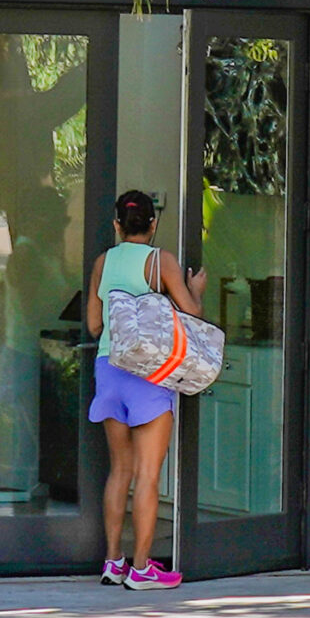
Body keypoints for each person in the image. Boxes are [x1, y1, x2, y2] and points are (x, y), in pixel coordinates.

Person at [88, 188, 192, 589]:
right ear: (153, 223)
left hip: (109, 368)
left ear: (117, 224)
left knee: (121, 471)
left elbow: (95, 326)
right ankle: (143, 567)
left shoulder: (104, 262)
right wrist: (193, 286)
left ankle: (113, 561)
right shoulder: (160, 260)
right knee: (148, 476)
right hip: (148, 373)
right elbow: (190, 312)